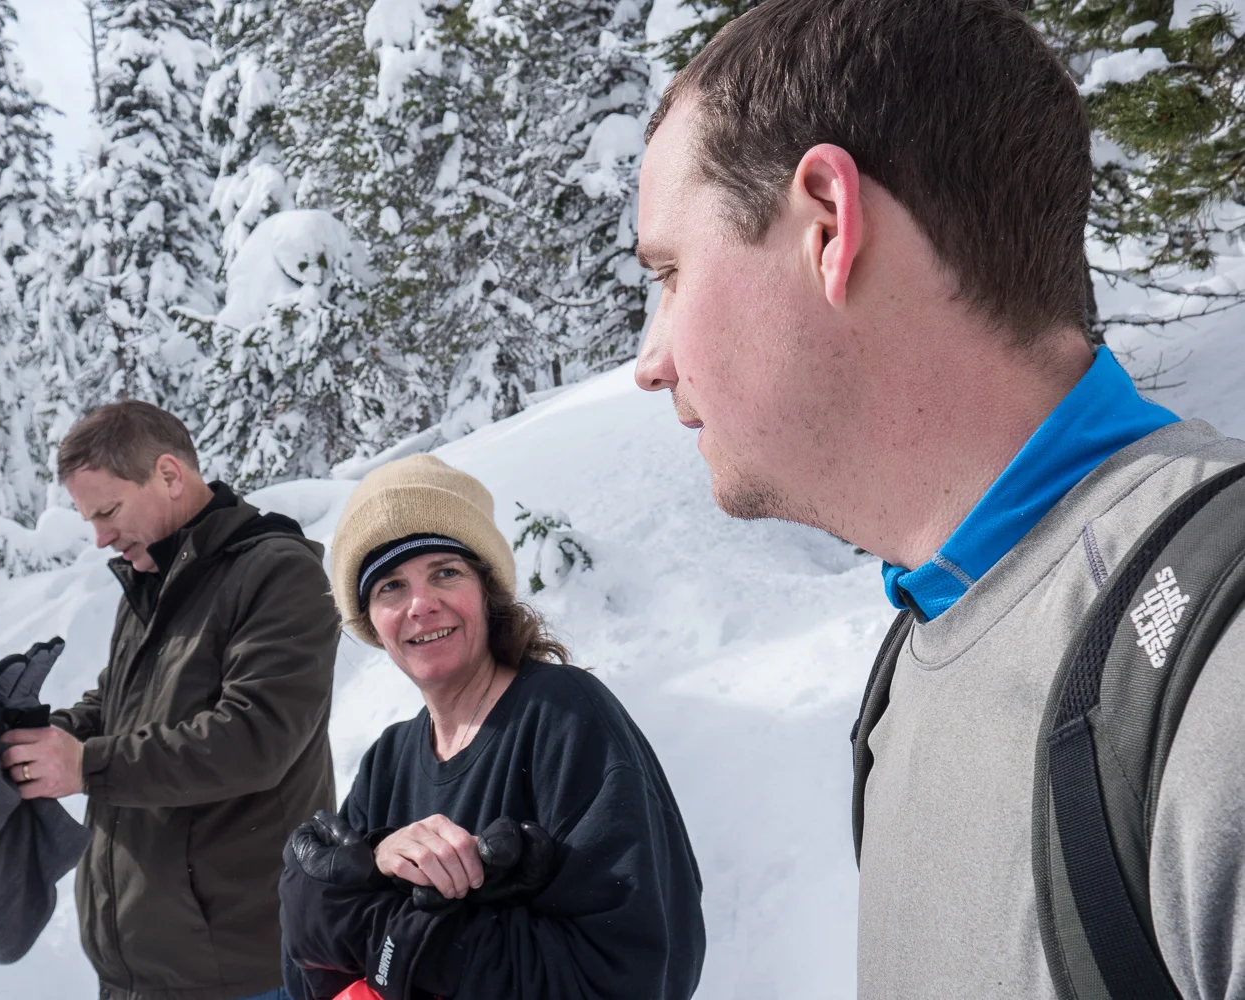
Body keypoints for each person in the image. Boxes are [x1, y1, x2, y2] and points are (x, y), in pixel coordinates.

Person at [633, 1, 1245, 998]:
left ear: (828, 226)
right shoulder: (925, 646)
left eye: (668, 272)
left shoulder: (1218, 667)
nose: (650, 361)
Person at [278, 454, 705, 1000]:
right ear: (372, 623)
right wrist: (319, 906)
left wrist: (402, 933)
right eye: (390, 586)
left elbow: (639, 972)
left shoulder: (562, 716)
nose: (421, 604)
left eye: (445, 572)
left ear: (486, 590)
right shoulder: (388, 760)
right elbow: (313, 979)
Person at [0, 400, 339, 1000]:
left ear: (169, 475)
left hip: (242, 972)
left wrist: (84, 766)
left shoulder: (277, 573)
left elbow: (255, 739)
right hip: (141, 970)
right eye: (90, 520)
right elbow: (116, 708)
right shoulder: (155, 578)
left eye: (108, 512)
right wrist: (29, 736)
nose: (100, 538)